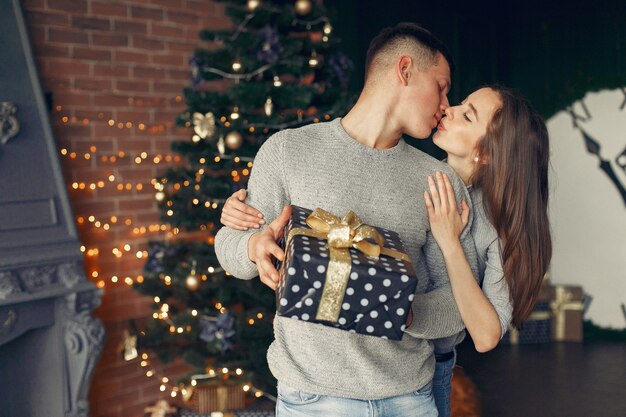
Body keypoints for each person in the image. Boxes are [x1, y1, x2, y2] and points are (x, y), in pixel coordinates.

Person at [220, 86, 552, 416]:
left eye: (467, 115)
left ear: (486, 154)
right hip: (377, 367)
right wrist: (243, 226)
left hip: (427, 366)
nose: (448, 108)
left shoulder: (497, 226)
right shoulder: (423, 176)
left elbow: (485, 335)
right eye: (460, 103)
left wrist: (449, 242)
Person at [214, 23, 479, 417]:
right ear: (404, 70)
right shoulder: (288, 150)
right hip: (311, 401)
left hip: (408, 399)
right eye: (441, 87)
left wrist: (400, 310)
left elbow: (460, 303)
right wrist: (253, 246)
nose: (446, 103)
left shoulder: (439, 182)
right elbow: (228, 247)